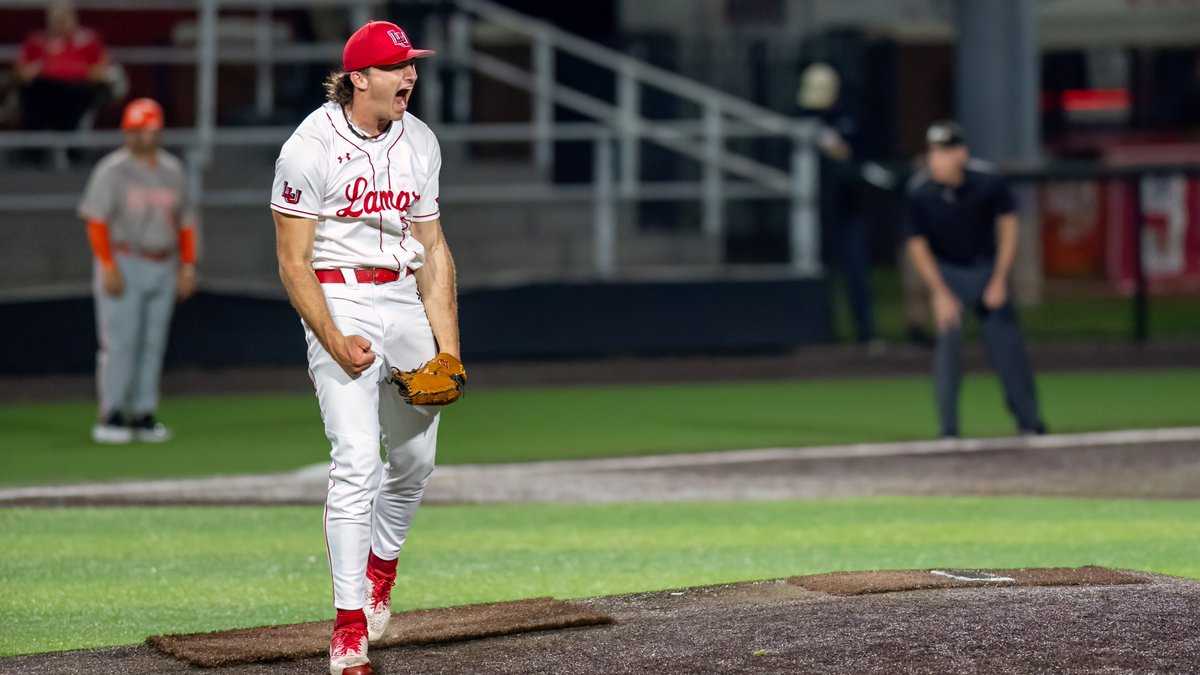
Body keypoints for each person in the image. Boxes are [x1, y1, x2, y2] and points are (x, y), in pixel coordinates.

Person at [270, 20, 458, 675]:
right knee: (356, 459)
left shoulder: (421, 141)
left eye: (411, 64)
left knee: (412, 462)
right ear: (358, 78)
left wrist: (449, 351)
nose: (409, 75)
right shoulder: (309, 146)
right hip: (337, 295)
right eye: (394, 66)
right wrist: (331, 335)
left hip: (403, 297)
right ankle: (349, 627)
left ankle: (382, 567)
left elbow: (433, 247)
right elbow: (293, 262)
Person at [904, 121, 1046, 438]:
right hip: (947, 273)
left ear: (961, 154)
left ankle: (1030, 422)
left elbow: (1009, 227)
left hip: (986, 269)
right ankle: (948, 430)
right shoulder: (919, 190)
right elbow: (917, 244)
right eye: (933, 154)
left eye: (945, 153)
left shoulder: (988, 181)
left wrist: (999, 279)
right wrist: (939, 292)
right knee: (947, 350)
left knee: (1007, 348)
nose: (937, 161)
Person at [80, 97, 198, 444]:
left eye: (143, 129)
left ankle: (144, 413)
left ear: (157, 130)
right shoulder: (112, 169)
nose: (137, 136)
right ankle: (112, 414)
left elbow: (185, 222)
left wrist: (188, 265)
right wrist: (106, 264)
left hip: (162, 262)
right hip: (125, 259)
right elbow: (96, 220)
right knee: (119, 342)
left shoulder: (172, 170)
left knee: (152, 343)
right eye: (132, 130)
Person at [797, 62, 881, 354]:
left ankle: (866, 333)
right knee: (818, 275)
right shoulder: (802, 118)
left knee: (855, 272)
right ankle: (821, 334)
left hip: (848, 206)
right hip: (812, 210)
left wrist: (842, 152)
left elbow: (866, 156)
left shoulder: (851, 115)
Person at [17, 2, 110, 161]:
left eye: (64, 19)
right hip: (46, 91)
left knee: (71, 96)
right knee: (38, 94)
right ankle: (33, 153)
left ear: (74, 19)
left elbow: (100, 72)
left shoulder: (89, 40)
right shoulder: (37, 41)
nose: (60, 24)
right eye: (55, 20)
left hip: (76, 92)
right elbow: (23, 73)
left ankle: (73, 151)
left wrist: (66, 70)